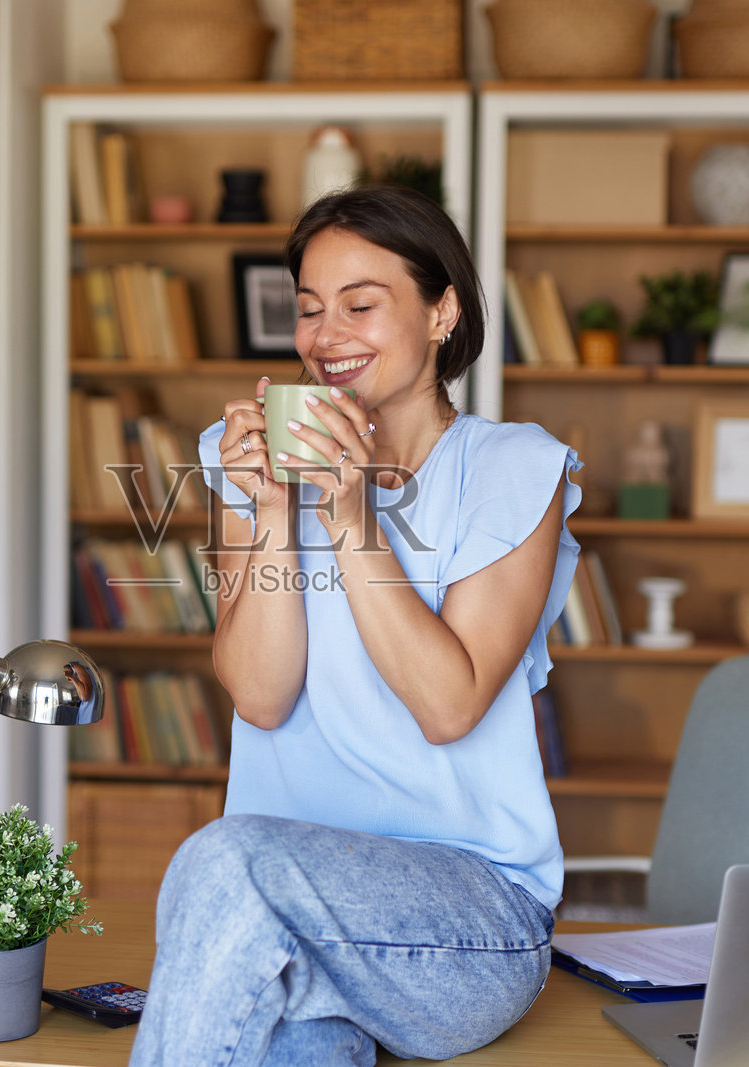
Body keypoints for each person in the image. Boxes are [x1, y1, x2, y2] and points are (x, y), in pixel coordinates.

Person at [128, 185, 582, 1066]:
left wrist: (347, 512)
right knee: (284, 1043)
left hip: (473, 923)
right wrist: (271, 507)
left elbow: (448, 704)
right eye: (309, 309)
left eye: (360, 305)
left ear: (442, 310)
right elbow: (261, 695)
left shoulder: (514, 470)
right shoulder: (246, 466)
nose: (325, 336)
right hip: (285, 911)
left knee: (222, 863)